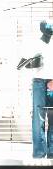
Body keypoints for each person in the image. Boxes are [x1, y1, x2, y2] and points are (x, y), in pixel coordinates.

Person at [26, 21, 53, 159]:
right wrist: (32, 63)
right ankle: (39, 153)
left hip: (51, 80)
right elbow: (25, 63)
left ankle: (52, 152)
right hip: (37, 81)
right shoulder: (34, 43)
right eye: (48, 27)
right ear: (42, 29)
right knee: (38, 118)